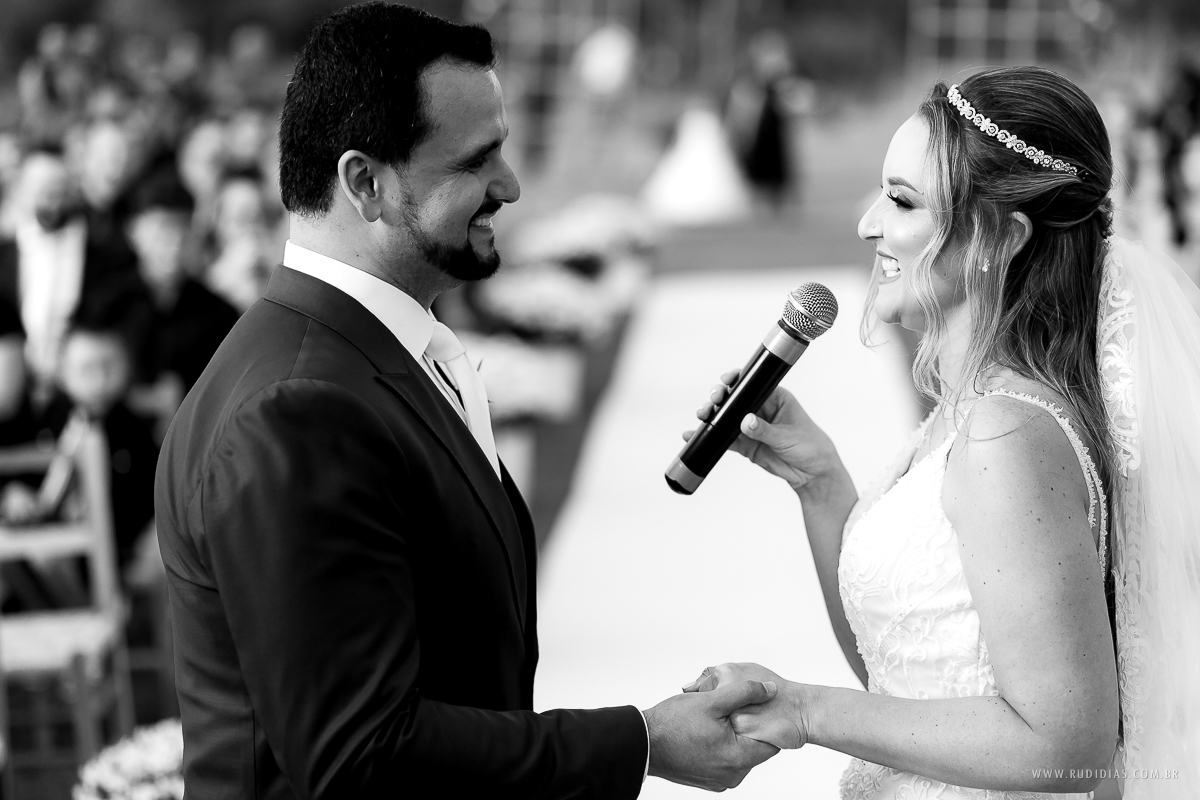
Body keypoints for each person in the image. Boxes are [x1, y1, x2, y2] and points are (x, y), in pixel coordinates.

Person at [155, 4, 779, 798]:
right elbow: (359, 755)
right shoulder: (296, 409)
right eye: (475, 162)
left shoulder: (361, 354)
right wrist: (640, 741)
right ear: (365, 182)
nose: (509, 186)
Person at [687, 66, 1200, 799]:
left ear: (1000, 235)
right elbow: (903, 675)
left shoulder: (1006, 437)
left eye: (901, 201)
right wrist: (818, 479)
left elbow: (1067, 740)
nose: (868, 223)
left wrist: (803, 708)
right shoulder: (968, 412)